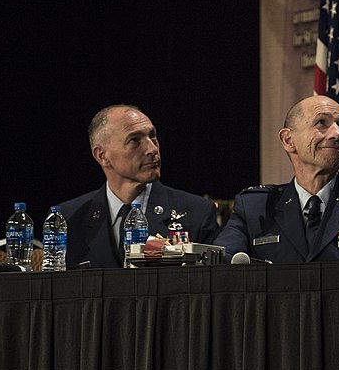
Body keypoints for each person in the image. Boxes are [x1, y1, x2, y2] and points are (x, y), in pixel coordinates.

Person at [214, 95, 339, 264]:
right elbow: (218, 264)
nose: (337, 134)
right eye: (321, 123)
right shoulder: (254, 207)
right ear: (288, 140)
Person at [57, 104, 220, 268]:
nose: (152, 148)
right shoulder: (68, 219)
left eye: (153, 136)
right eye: (134, 140)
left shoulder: (198, 214)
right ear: (102, 155)